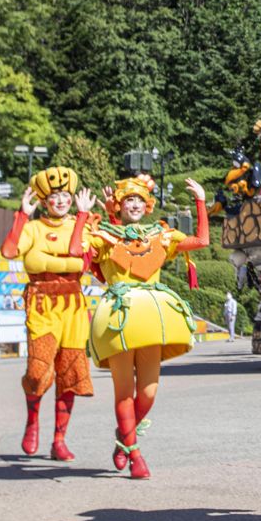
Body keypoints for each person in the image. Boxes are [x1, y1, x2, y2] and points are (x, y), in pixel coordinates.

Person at [71, 174, 208, 479]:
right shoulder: (105, 236)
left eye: (138, 200)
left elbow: (201, 241)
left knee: (148, 393)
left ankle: (123, 437)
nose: (133, 205)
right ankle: (134, 453)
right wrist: (82, 215)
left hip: (151, 318)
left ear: (147, 206)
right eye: (128, 200)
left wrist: (200, 200)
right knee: (124, 391)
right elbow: (75, 251)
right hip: (118, 318)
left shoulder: (159, 235)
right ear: (119, 206)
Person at [0, 167, 94, 460]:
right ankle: (32, 422)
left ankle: (59, 440)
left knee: (70, 372)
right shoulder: (34, 229)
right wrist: (22, 216)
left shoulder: (82, 225)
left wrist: (82, 216)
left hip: (73, 305)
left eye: (66, 195)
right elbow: (9, 252)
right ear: (44, 201)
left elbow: (80, 257)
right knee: (38, 369)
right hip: (42, 303)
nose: (61, 200)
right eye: (55, 196)